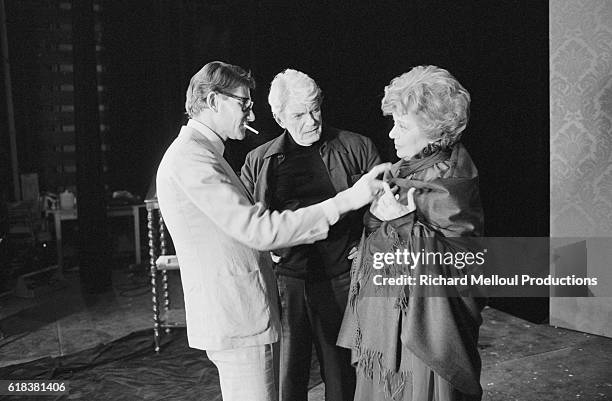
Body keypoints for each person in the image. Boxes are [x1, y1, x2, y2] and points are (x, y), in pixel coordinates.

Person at [156, 61, 390, 401]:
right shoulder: (194, 159)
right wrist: (348, 199)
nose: (251, 116)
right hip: (238, 314)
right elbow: (257, 230)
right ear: (213, 101)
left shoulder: (204, 154)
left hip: (253, 309)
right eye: (244, 105)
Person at [337, 65, 485, 401]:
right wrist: (381, 219)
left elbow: (460, 266)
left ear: (433, 132)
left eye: (402, 125)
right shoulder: (407, 168)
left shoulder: (451, 180)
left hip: (421, 332)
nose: (391, 134)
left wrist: (401, 223)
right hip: (388, 318)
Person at [240, 69, 381, 401]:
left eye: (316, 109)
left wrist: (367, 248)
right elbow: (244, 221)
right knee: (288, 379)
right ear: (278, 117)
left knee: (344, 377)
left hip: (342, 279)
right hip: (288, 282)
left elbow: (385, 213)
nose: (312, 121)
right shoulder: (259, 160)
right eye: (299, 114)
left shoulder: (357, 147)